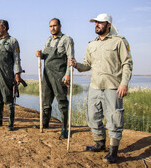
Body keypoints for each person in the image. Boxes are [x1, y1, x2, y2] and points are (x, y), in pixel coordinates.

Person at [69, 13, 133, 164]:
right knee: (93, 117)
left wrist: (124, 83)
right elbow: (87, 65)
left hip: (113, 87)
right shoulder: (91, 44)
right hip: (95, 87)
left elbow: (127, 64)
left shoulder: (119, 42)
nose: (96, 25)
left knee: (114, 119)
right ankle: (99, 144)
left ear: (108, 25)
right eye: (95, 23)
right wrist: (76, 64)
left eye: (100, 23)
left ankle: (113, 152)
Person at [35, 18, 74, 139]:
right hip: (46, 75)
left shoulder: (66, 39)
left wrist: (68, 74)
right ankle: (45, 123)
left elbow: (70, 58)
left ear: (60, 26)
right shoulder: (48, 40)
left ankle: (64, 128)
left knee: (62, 103)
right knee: (46, 102)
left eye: (55, 26)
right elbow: (46, 57)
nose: (53, 28)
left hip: (59, 75)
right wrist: (40, 55)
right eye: (50, 26)